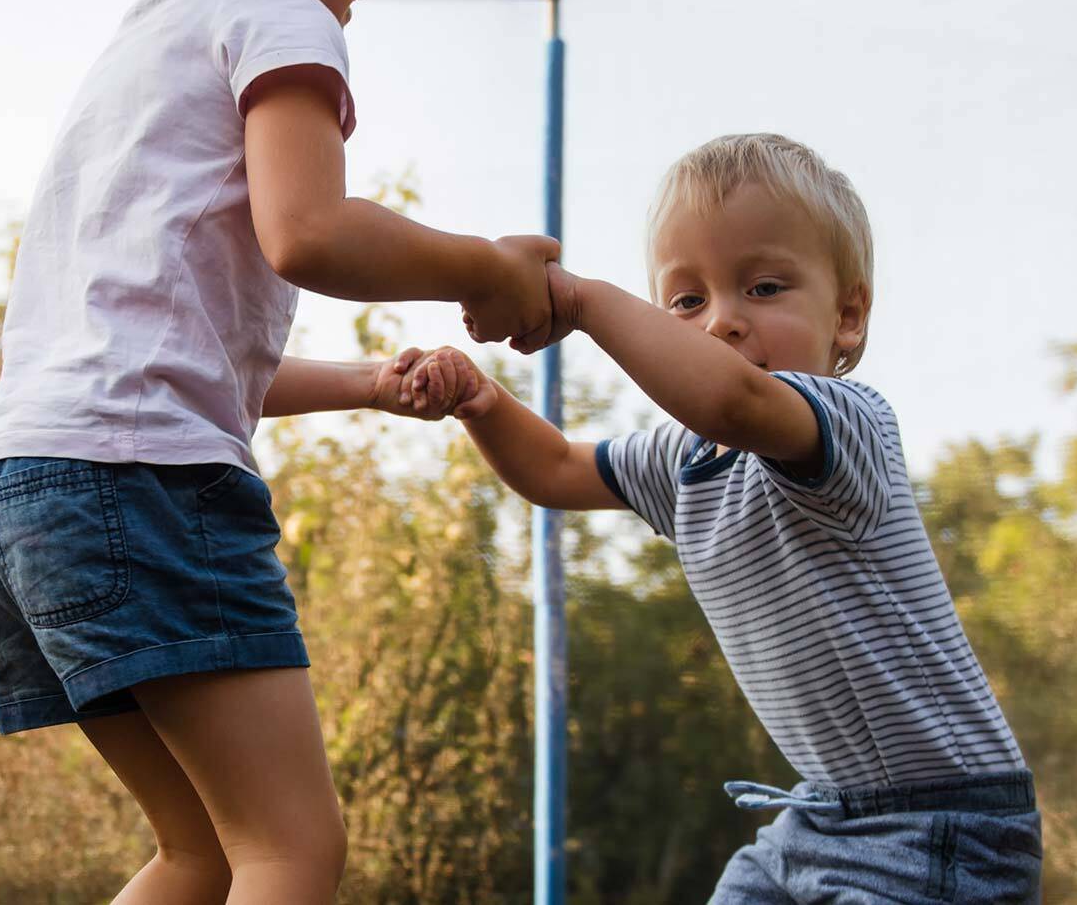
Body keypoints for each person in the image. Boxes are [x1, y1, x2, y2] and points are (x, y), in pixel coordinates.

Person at [0, 0, 561, 901]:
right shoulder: (276, 12)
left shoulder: (134, 53)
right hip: (134, 484)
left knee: (200, 852)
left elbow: (160, 348)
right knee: (289, 849)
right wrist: (482, 270)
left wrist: (363, 383)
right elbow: (306, 230)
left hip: (15, 489)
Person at [403, 133, 1043, 903]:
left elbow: (732, 401)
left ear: (847, 314)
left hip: (944, 825)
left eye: (764, 288)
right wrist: (483, 402)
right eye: (687, 301)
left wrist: (583, 299)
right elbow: (557, 468)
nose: (721, 324)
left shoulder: (847, 424)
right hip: (818, 816)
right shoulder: (686, 461)